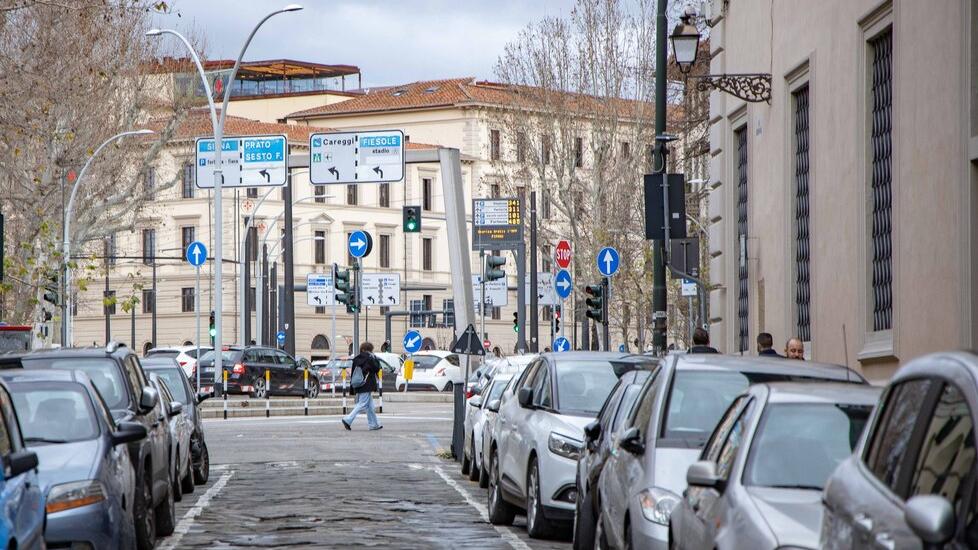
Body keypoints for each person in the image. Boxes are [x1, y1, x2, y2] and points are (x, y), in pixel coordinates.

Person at [341, 342, 382, 431]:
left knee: (370, 406)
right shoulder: (370, 358)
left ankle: (374, 424)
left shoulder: (356, 359)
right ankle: (348, 419)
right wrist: (375, 358)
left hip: (359, 384)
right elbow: (377, 368)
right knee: (362, 404)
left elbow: (354, 373)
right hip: (367, 384)